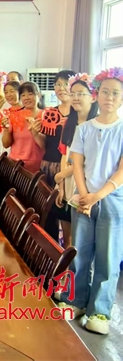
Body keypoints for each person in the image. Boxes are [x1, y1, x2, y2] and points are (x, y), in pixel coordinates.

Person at [58, 67, 123, 336]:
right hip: (82, 198)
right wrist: (85, 195)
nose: (110, 97)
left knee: (108, 257)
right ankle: (75, 300)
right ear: (97, 94)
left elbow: (121, 170)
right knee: (80, 251)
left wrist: (98, 195)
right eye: (105, 92)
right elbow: (77, 163)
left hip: (112, 200)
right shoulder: (84, 128)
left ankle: (100, 311)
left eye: (115, 93)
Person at [54, 74, 98, 249]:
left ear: (93, 97)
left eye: (81, 94)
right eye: (73, 94)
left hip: (85, 184)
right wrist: (61, 185)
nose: (75, 98)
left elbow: (87, 160)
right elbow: (64, 154)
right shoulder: (68, 123)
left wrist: (61, 175)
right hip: (67, 182)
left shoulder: (96, 125)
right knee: (67, 236)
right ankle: (67, 266)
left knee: (82, 239)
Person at [37, 70, 74, 242]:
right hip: (47, 164)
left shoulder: (78, 114)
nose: (61, 88)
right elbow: (45, 145)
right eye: (58, 84)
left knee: (66, 215)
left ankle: (67, 250)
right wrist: (34, 133)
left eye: (66, 84)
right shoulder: (49, 113)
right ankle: (51, 247)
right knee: (48, 211)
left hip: (67, 168)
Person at [1, 81, 45, 172]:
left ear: (39, 95)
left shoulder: (46, 116)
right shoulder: (14, 116)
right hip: (15, 164)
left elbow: (47, 146)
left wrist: (36, 133)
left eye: (30, 94)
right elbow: (6, 144)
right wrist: (6, 129)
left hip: (37, 167)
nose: (27, 98)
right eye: (23, 95)